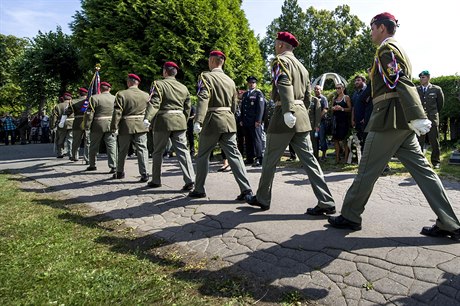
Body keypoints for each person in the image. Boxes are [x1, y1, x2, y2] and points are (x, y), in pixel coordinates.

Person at [328, 12, 460, 240]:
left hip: (388, 120)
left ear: (381, 28)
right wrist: (413, 117)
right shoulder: (397, 49)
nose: (370, 32)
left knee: (366, 170)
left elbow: (398, 79)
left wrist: (417, 114)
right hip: (401, 122)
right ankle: (450, 222)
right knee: (424, 172)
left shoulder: (385, 50)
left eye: (371, 28)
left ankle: (350, 215)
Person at [245, 32, 335, 214]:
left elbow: (284, 84)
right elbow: (309, 97)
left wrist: (287, 110)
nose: (274, 47)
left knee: (270, 159)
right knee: (310, 161)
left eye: (275, 44)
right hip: (301, 116)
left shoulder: (280, 61)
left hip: (283, 114)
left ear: (280, 45)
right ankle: (326, 201)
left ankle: (262, 198)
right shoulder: (302, 67)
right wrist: (301, 112)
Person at [188, 50, 252, 200]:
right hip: (228, 121)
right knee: (235, 156)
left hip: (211, 120)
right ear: (222, 62)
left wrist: (199, 120)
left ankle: (199, 189)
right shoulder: (230, 80)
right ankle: (246, 189)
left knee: (203, 155)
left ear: (211, 61)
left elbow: (203, 98)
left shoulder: (205, 77)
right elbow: (234, 105)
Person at [143, 61, 195, 190]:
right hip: (180, 121)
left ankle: (156, 180)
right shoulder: (184, 87)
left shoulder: (158, 84)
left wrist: (147, 118)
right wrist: (184, 119)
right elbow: (188, 108)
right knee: (183, 151)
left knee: (158, 152)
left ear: (165, 71)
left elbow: (155, 102)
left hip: (163, 121)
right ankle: (190, 180)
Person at [110, 73, 150, 182]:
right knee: (142, 149)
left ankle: (119, 172)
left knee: (122, 150)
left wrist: (114, 127)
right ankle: (145, 173)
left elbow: (117, 112)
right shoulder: (146, 95)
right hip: (141, 125)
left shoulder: (121, 94)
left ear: (129, 82)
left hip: (125, 125)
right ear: (137, 83)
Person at [84, 81, 117, 173]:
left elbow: (89, 114)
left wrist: (87, 125)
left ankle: (92, 164)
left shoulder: (94, 98)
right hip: (111, 124)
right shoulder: (115, 98)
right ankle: (113, 165)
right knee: (111, 145)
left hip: (97, 124)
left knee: (93, 146)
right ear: (109, 89)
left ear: (100, 89)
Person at [417, 70, 444, 169]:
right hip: (421, 119)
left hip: (432, 119)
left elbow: (440, 105)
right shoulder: (417, 89)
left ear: (428, 77)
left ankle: (436, 162)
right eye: (420, 77)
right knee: (420, 141)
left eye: (423, 77)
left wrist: (433, 114)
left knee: (434, 141)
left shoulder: (437, 89)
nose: (421, 79)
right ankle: (420, 162)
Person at [240, 76, 266, 167]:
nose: (251, 84)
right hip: (246, 121)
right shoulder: (245, 94)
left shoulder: (258, 94)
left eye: (253, 83)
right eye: (250, 83)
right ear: (248, 83)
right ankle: (249, 158)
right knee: (248, 140)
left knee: (257, 140)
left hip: (255, 122)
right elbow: (243, 108)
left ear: (255, 84)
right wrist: (242, 119)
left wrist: (258, 120)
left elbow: (260, 108)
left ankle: (259, 158)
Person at [65, 87, 90, 163]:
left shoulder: (73, 102)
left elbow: (67, 112)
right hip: (88, 122)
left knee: (76, 141)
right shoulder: (90, 101)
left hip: (77, 123)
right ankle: (87, 158)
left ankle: (75, 156)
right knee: (88, 141)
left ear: (79, 93)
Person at [331, 83, 352, 164]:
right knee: (335, 140)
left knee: (344, 140)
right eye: (336, 88)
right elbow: (331, 109)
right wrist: (333, 108)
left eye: (339, 88)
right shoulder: (334, 98)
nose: (337, 90)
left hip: (344, 121)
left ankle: (346, 158)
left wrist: (342, 109)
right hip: (335, 121)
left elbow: (350, 109)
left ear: (343, 88)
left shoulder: (346, 97)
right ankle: (337, 158)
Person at [54, 93, 74, 159]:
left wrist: (53, 125)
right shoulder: (73, 104)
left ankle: (60, 152)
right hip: (72, 123)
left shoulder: (58, 106)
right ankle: (71, 154)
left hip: (61, 124)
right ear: (70, 98)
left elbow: (54, 117)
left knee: (60, 139)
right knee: (70, 139)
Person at [351, 75, 368, 147]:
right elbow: (353, 107)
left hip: (366, 121)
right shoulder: (355, 93)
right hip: (357, 122)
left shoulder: (367, 91)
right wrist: (352, 119)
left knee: (366, 141)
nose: (356, 82)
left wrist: (365, 118)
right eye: (355, 81)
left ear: (364, 81)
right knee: (359, 142)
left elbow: (370, 106)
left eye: (358, 80)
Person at [314, 85, 329, 160]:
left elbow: (325, 109)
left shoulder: (323, 99)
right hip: (314, 123)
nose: (316, 90)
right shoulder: (313, 99)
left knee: (322, 138)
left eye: (318, 89)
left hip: (322, 122)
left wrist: (318, 118)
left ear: (321, 90)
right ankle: (316, 155)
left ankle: (324, 155)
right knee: (315, 139)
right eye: (315, 89)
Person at [308, 95, 322, 159]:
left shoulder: (315, 100)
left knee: (314, 142)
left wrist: (317, 125)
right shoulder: (302, 99)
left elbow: (318, 114)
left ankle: (315, 158)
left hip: (313, 125)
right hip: (304, 125)